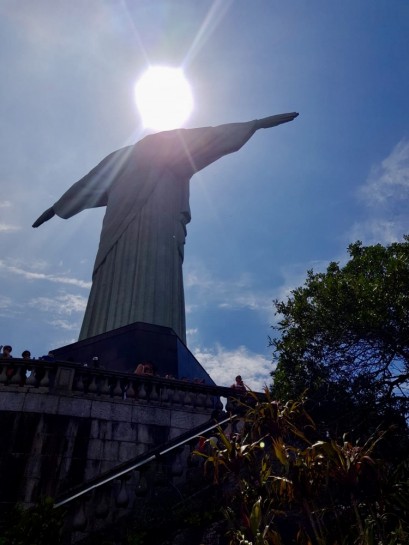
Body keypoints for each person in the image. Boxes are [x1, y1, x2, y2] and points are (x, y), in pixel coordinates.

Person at [33, 113, 298, 343]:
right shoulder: (125, 157)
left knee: (155, 278)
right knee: (114, 277)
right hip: (119, 226)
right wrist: (57, 208)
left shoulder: (166, 147)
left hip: (159, 223)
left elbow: (212, 137)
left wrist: (254, 125)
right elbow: (89, 184)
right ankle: (103, 334)